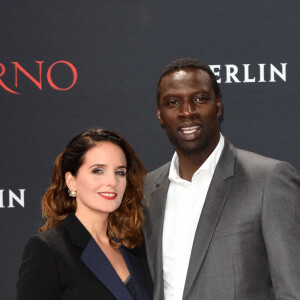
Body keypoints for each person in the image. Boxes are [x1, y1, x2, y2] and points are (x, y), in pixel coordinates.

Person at [143, 58, 300, 299]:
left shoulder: (268, 179)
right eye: (173, 102)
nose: (187, 112)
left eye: (199, 99)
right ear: (160, 115)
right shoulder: (146, 190)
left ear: (218, 105)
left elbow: (292, 289)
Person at [17, 128, 153, 300]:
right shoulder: (48, 249)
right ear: (71, 180)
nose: (112, 181)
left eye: (120, 172)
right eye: (98, 170)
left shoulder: (135, 244)